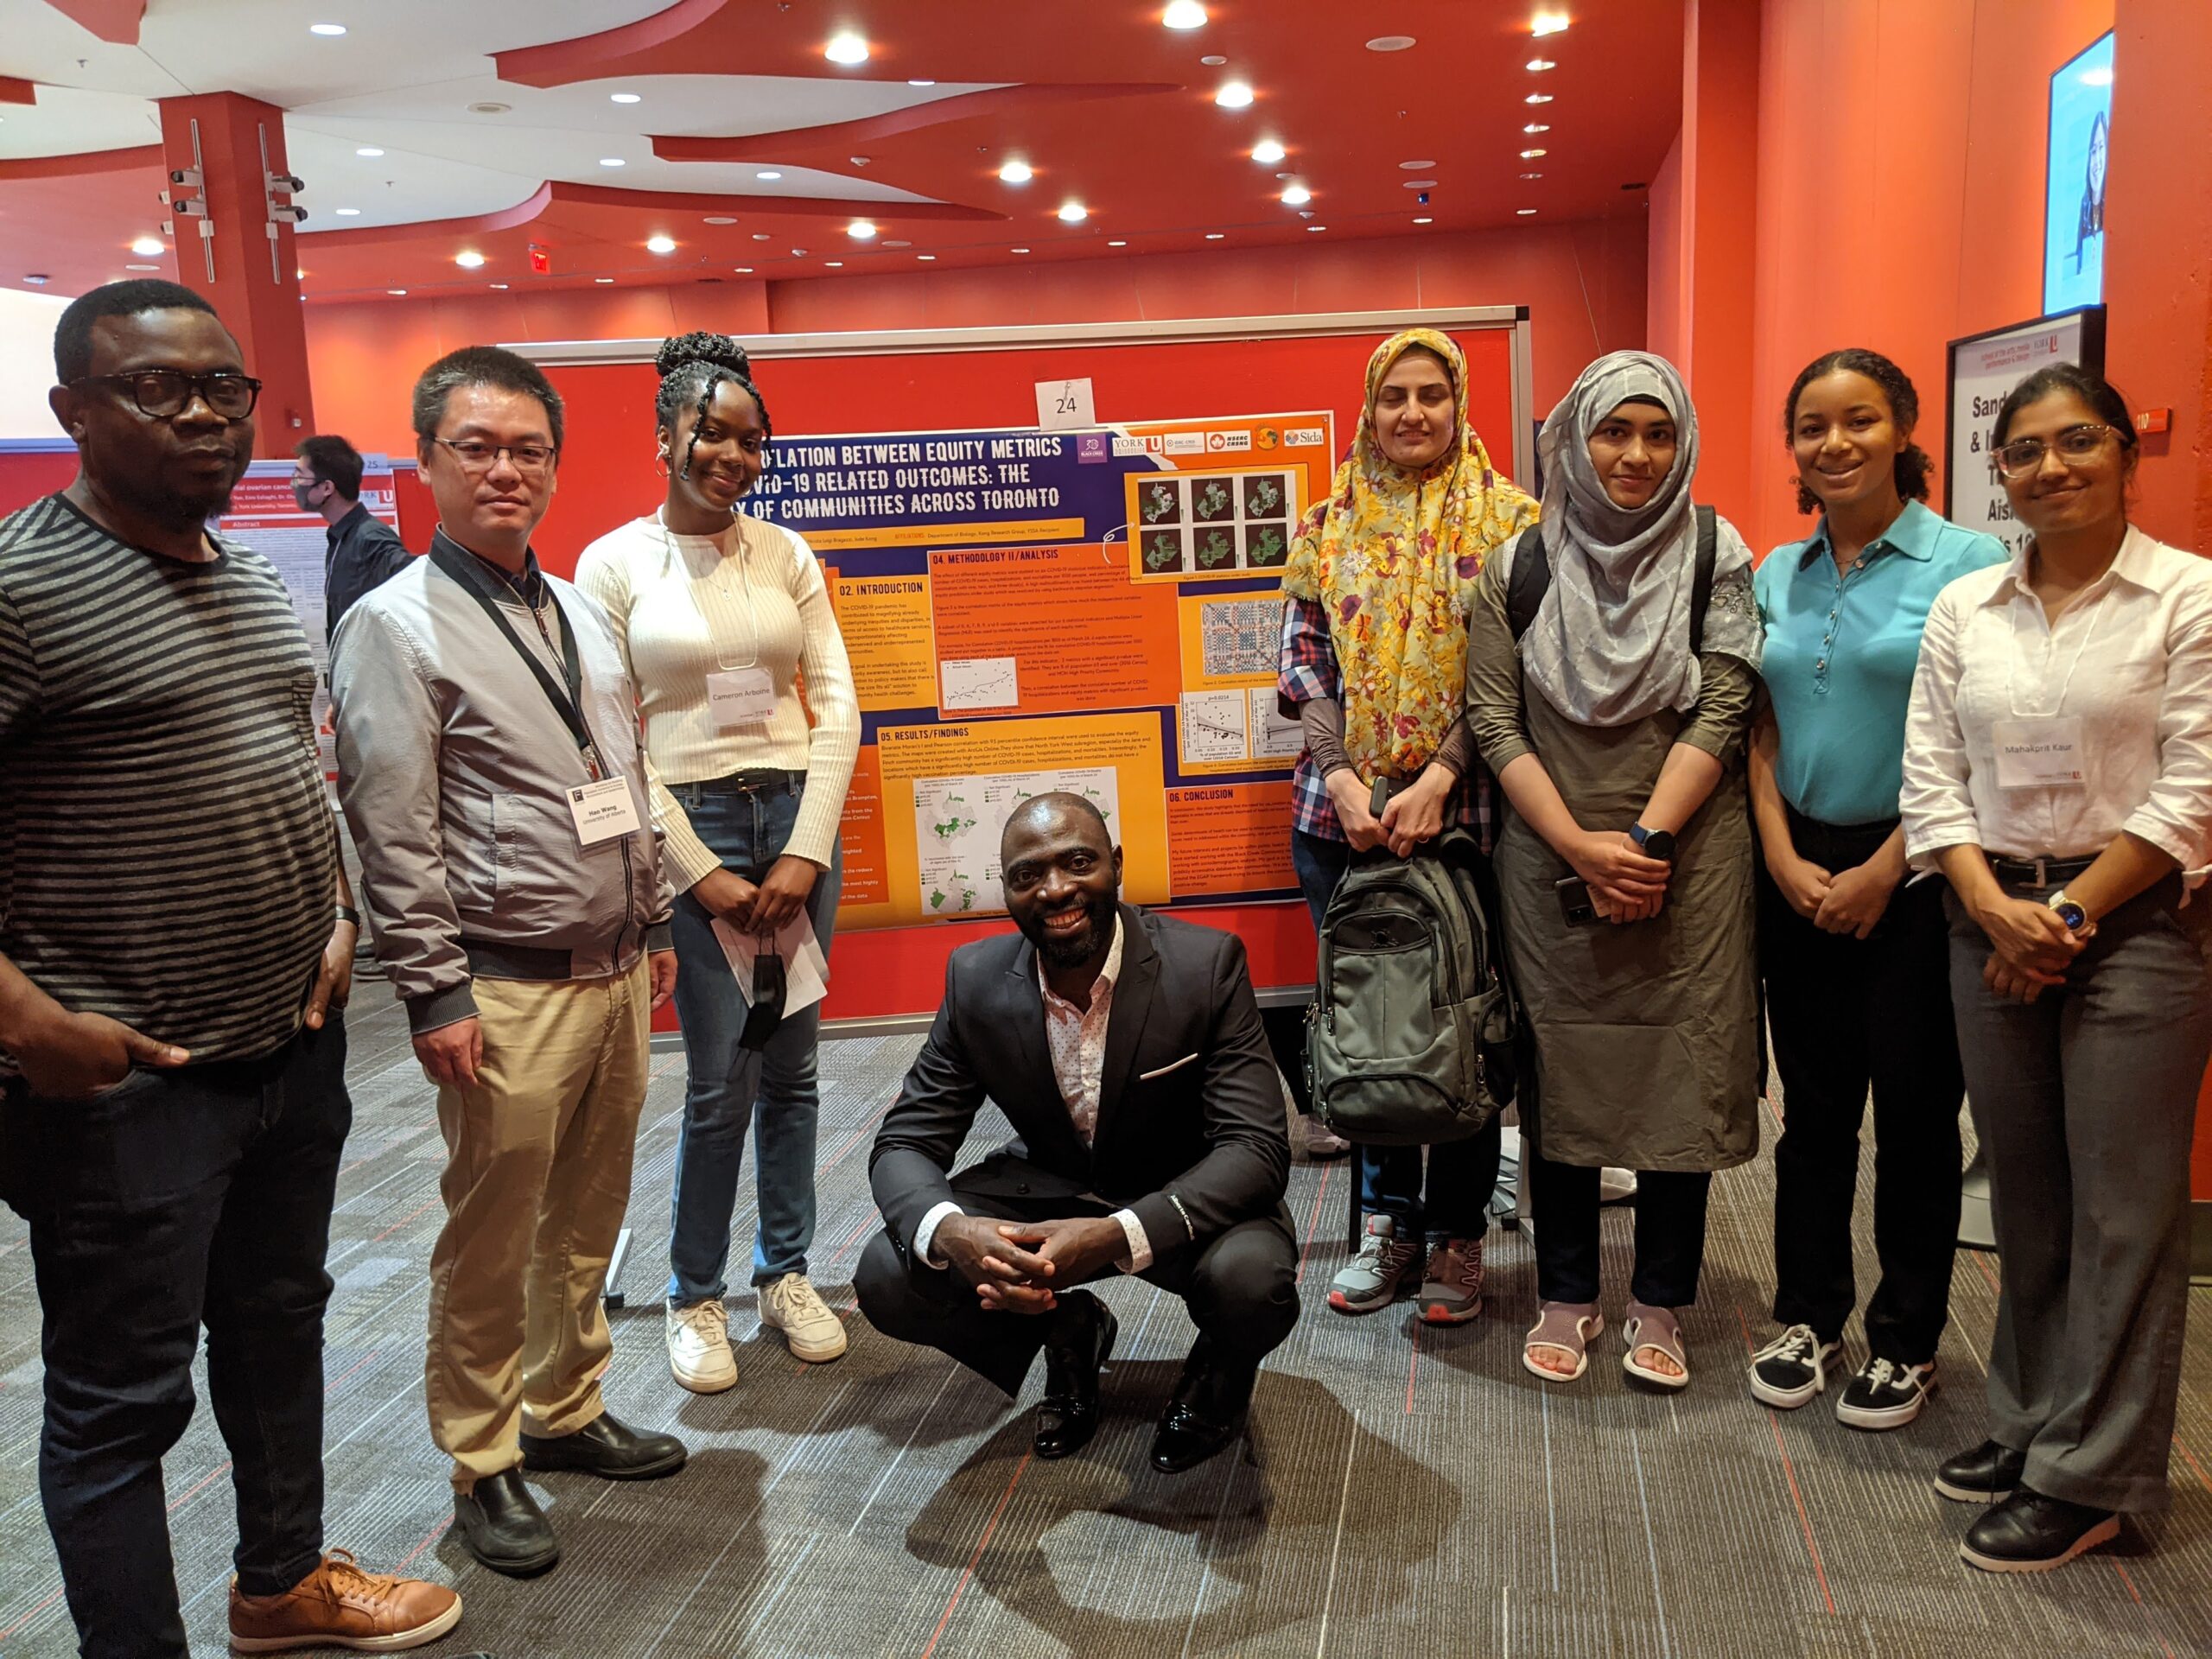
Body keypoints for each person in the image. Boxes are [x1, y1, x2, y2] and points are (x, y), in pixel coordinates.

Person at [0, 280, 458, 1656]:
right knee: (120, 1403)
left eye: (225, 388)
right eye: (157, 388)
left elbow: (290, 772)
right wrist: (25, 1021)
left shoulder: (255, 578)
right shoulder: (19, 590)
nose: (203, 414)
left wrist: (337, 911)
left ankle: (280, 1585)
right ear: (74, 410)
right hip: (125, 1084)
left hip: (288, 1049)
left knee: (277, 1328)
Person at [331, 346, 686, 1579]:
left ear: (554, 464)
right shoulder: (393, 626)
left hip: (613, 969)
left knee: (587, 1214)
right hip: (501, 984)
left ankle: (565, 1407)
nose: (504, 470)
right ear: (428, 461)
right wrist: (432, 989)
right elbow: (391, 827)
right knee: (492, 1232)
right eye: (476, 447)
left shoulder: (577, 608)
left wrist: (652, 922)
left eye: (527, 449)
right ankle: (482, 1459)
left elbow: (624, 776)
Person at [1902, 362, 2212, 1573]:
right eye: (2024, 450)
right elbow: (1932, 773)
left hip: (2137, 924)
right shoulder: (1966, 608)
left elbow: (2196, 783)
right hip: (1987, 915)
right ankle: (2034, 1422)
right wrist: (1993, 908)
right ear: (2002, 474)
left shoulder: (2188, 596)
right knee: (2027, 1192)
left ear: (2127, 452)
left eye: (2077, 441)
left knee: (2123, 1208)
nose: (2050, 467)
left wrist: (2068, 915)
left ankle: (2095, 1478)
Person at [1467, 350, 1764, 1390]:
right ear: (1573, 441)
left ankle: (1661, 1300)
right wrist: (1578, 845)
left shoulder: (1717, 553)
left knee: (1684, 1067)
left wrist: (1643, 844)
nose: (1636, 455)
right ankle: (1565, 1291)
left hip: (1689, 857)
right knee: (1561, 1072)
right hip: (1550, 855)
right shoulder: (1516, 567)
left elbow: (1725, 703)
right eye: (1613, 431)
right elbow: (1493, 720)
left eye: (1658, 433)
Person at [575, 332, 860, 1393]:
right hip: (688, 828)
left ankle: (784, 1272)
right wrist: (695, 870)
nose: (734, 458)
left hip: (793, 821)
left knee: (794, 1074)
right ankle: (693, 1293)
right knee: (716, 1085)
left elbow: (837, 705)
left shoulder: (784, 554)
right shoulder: (612, 564)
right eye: (713, 436)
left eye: (751, 440)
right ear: (665, 439)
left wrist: (806, 849)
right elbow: (608, 739)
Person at [855, 794, 1296, 1474]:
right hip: (1048, 1182)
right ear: (1007, 890)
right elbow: (905, 1142)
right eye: (1028, 875)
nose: (1055, 889)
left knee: (1252, 1283)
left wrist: (1118, 1234)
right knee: (891, 1273)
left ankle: (1218, 1371)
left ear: (1116, 865)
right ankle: (1067, 1329)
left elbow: (1256, 1149)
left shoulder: (1204, 965)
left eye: (1078, 863)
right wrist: (952, 1231)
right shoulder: (975, 978)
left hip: (1179, 1187)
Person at [1746, 349, 2006, 1429]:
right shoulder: (1777, 570)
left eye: (1858, 420)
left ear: (1903, 429)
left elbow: (1979, 740)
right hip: (1795, 864)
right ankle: (1808, 1315)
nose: (1834, 443)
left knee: (1913, 1116)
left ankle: (1906, 1339)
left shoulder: (1969, 563)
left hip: (1919, 866)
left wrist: (1885, 866)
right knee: (1810, 1116)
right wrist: (1778, 854)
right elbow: (1757, 725)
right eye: (1812, 426)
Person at [1275, 326, 1539, 1325]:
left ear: (1459, 404)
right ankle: (1386, 1225)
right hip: (1339, 820)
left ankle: (1459, 1232)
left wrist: (1439, 774)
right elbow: (1306, 670)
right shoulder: (1327, 523)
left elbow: (1510, 672)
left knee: (1465, 1018)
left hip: (1470, 815)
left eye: (1432, 393)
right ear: (1370, 407)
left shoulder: (1511, 523)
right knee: (1372, 1021)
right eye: (1395, 395)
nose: (1413, 413)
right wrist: (1345, 781)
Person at [294, 431, 411, 645]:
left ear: (327, 488)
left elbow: (412, 588)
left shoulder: (371, 539)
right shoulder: (340, 537)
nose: (295, 484)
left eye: (300, 477)